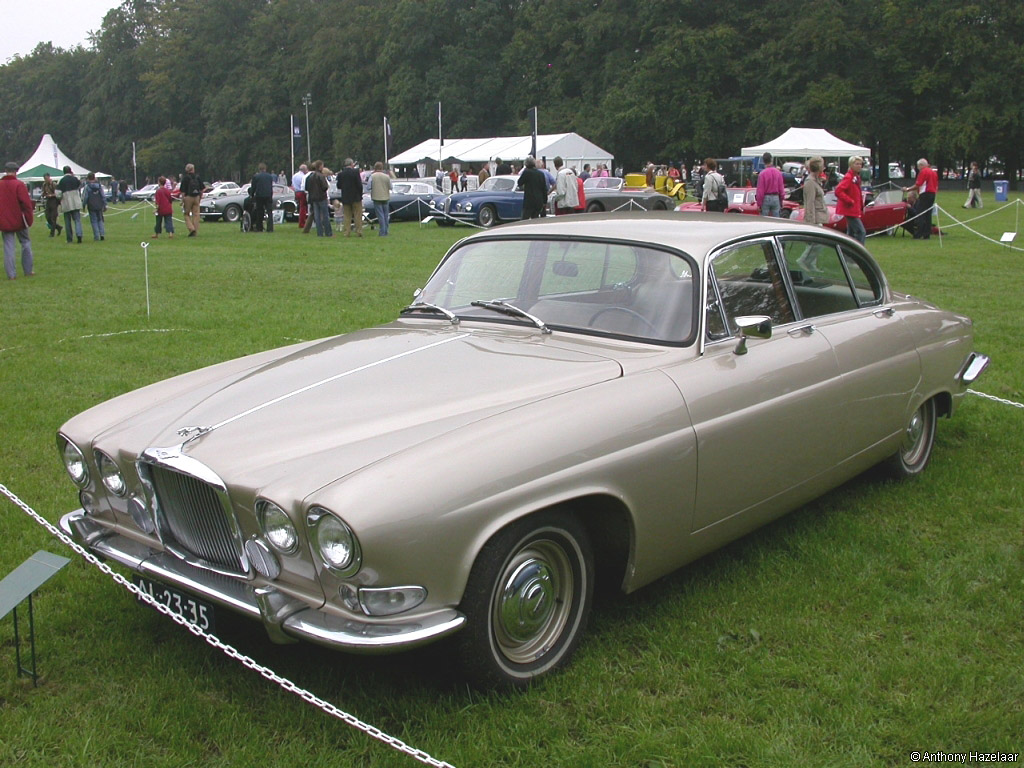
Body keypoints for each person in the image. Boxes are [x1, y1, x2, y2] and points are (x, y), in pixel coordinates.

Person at [1, 161, 34, 279]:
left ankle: (11, 274)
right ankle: (28, 270)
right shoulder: (19, 184)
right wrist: (29, 219)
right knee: (25, 243)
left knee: (8, 247)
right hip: (20, 219)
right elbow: (26, 203)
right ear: (16, 171)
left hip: (4, 220)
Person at [905, 158, 939, 239]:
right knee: (928, 214)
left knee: (920, 213)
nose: (918, 168)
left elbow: (918, 184)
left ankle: (919, 233)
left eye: (918, 166)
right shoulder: (933, 173)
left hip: (925, 194)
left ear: (921, 165)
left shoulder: (923, 172)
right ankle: (926, 234)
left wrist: (907, 189)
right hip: (932, 194)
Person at [835, 155, 866, 244]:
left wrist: (860, 207)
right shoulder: (849, 177)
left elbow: (857, 194)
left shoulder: (856, 177)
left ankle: (848, 254)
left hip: (853, 209)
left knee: (851, 233)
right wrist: (849, 201)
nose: (859, 166)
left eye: (860, 164)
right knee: (861, 232)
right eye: (857, 164)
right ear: (851, 165)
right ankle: (859, 253)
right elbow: (838, 190)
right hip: (850, 209)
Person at [304, 160, 332, 237]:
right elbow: (325, 187)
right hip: (322, 197)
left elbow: (306, 188)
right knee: (325, 215)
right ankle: (328, 232)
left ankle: (319, 233)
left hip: (313, 198)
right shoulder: (321, 176)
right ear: (320, 166)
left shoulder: (309, 177)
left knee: (317, 216)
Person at [56, 165, 83, 243]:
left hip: (66, 202)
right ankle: (79, 235)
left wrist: (60, 199)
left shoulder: (60, 180)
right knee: (77, 220)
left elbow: (58, 194)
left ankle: (69, 239)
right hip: (76, 202)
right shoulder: (75, 179)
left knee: (67, 222)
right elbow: (79, 186)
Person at [338, 158, 363, 237]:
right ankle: (359, 231)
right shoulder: (355, 172)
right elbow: (359, 185)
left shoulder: (341, 174)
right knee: (357, 215)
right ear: (352, 164)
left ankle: (347, 232)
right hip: (356, 197)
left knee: (347, 216)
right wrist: (360, 194)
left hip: (346, 197)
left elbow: (338, 186)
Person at [179, 163, 206, 237]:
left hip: (188, 197)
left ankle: (191, 228)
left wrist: (182, 200)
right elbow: (202, 189)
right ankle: (195, 231)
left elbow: (183, 191)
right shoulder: (197, 177)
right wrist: (200, 197)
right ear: (193, 169)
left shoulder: (185, 178)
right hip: (196, 197)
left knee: (186, 214)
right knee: (196, 214)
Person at [755, 152, 785, 217]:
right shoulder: (778, 173)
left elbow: (760, 191)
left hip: (766, 198)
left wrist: (759, 204)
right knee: (776, 219)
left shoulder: (762, 174)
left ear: (763, 161)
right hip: (776, 197)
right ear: (771, 160)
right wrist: (782, 199)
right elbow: (781, 188)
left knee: (764, 219)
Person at [802, 157, 828, 226]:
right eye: (823, 166)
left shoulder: (816, 181)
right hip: (815, 221)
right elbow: (810, 203)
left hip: (819, 218)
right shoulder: (810, 182)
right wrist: (810, 223)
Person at [249, 162, 275, 232]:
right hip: (268, 195)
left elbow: (253, 187)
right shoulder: (270, 176)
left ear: (259, 169)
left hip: (259, 196)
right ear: (265, 169)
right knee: (269, 212)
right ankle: (270, 228)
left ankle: (259, 227)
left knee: (259, 212)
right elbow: (270, 186)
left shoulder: (256, 177)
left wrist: (251, 195)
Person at [81, 172, 107, 241]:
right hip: (99, 205)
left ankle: (96, 236)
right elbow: (103, 195)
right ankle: (102, 234)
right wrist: (105, 204)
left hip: (91, 205)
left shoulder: (87, 187)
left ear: (88, 178)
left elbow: (85, 197)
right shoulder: (99, 186)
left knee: (94, 221)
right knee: (100, 220)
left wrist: (83, 205)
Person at [370, 162, 392, 236]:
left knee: (380, 215)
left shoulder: (372, 176)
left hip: (376, 197)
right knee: (386, 215)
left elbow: (368, 187)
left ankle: (382, 232)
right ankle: (386, 231)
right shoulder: (387, 176)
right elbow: (391, 187)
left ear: (375, 168)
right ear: (382, 168)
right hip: (385, 197)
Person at [41, 173, 61, 237]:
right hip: (48, 201)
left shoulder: (54, 184)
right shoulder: (44, 185)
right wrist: (43, 194)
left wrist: (51, 195)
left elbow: (58, 194)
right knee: (48, 217)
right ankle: (58, 227)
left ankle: (52, 233)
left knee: (53, 217)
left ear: (49, 177)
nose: (45, 180)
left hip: (54, 201)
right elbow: (43, 192)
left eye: (46, 178)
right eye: (44, 179)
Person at [292, 163, 309, 228]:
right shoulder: (303, 177)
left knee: (301, 207)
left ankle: (302, 221)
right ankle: (302, 223)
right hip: (302, 192)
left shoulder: (294, 176)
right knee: (303, 208)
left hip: (296, 192)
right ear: (304, 169)